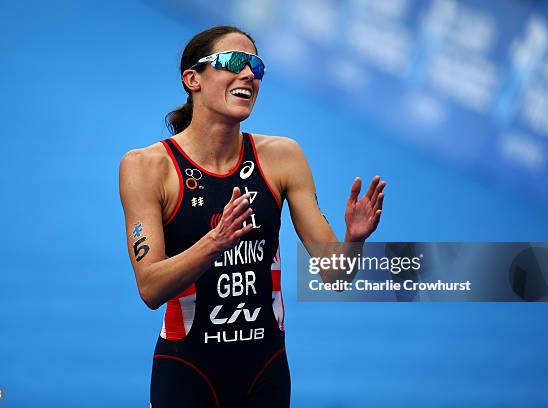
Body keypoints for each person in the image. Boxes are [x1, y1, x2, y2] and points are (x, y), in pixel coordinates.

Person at [119, 25, 385, 408]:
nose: (248, 75)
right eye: (232, 62)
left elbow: (335, 273)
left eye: (256, 67)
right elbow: (150, 287)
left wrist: (354, 239)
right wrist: (215, 242)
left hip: (266, 374)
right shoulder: (147, 167)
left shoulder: (283, 157)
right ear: (192, 79)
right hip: (187, 375)